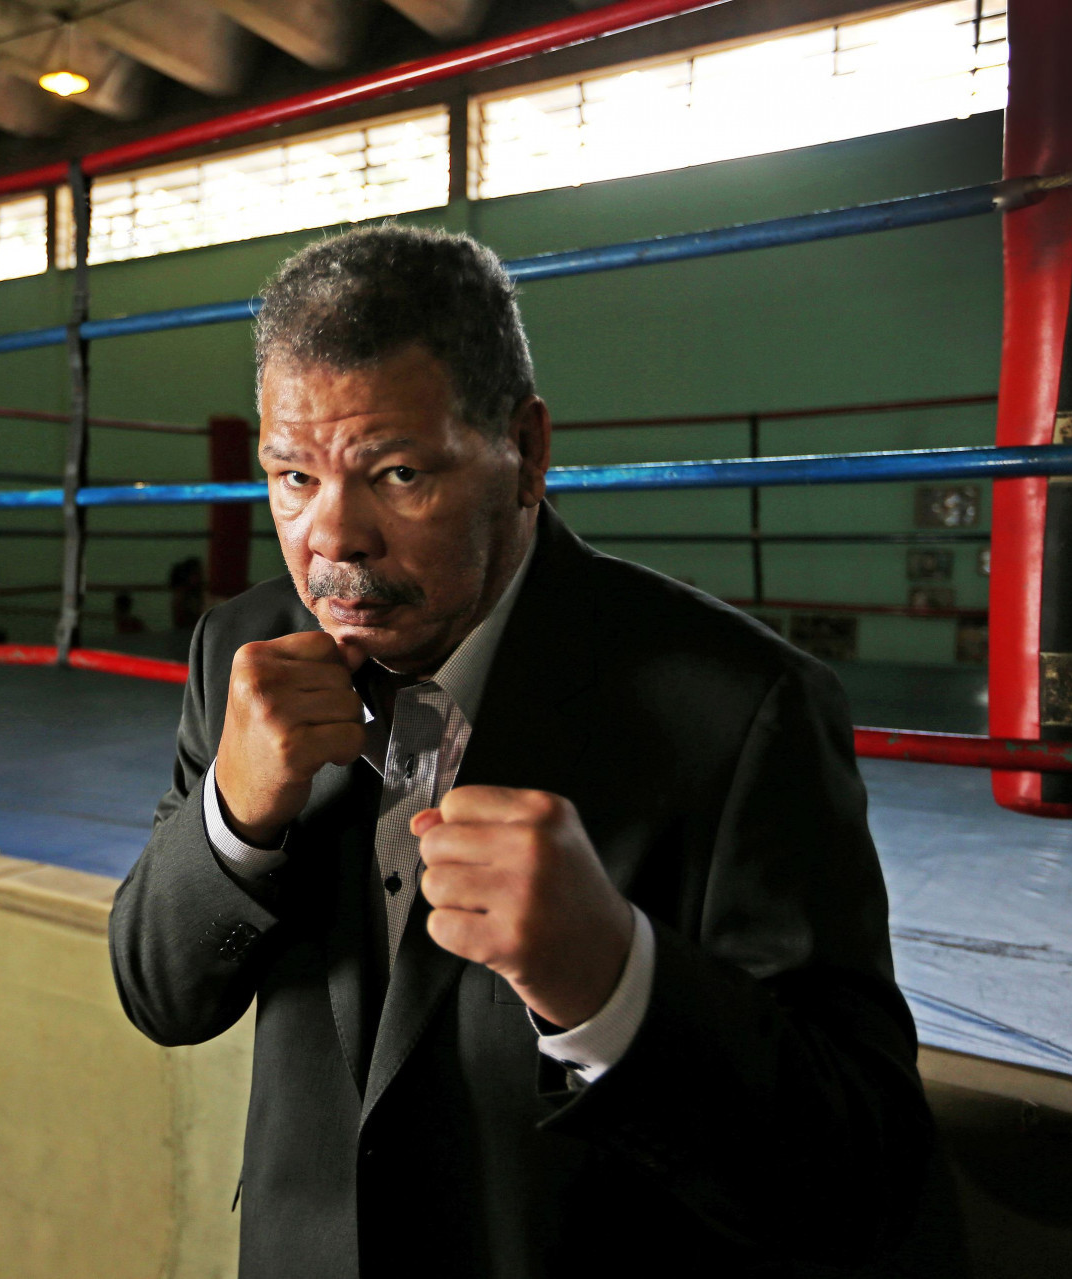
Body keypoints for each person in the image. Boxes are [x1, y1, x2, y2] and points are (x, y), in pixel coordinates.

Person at [108, 227, 946, 1278]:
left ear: (527, 454)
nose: (333, 538)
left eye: (398, 472)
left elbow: (863, 1180)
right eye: (292, 476)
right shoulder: (243, 651)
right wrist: (232, 822)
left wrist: (618, 984)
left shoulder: (740, 711)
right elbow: (160, 993)